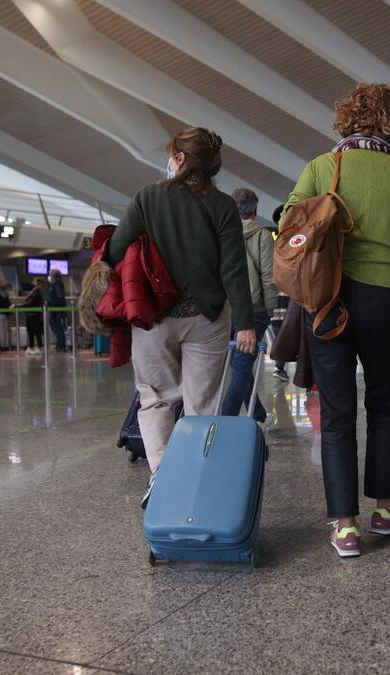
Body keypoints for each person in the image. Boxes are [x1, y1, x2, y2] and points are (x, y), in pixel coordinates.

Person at [288, 82, 390, 558]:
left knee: (336, 412)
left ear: (347, 118)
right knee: (382, 404)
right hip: (386, 298)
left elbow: (288, 224)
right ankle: (384, 508)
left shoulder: (320, 167)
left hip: (328, 298)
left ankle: (345, 526)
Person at [103, 126, 255, 488]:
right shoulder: (223, 206)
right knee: (203, 405)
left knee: (155, 399)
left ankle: (162, 478)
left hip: (155, 318)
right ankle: (198, 479)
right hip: (209, 318)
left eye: (172, 154)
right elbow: (233, 269)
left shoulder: (147, 198)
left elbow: (116, 250)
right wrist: (246, 323)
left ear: (181, 159)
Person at [220, 187, 277, 422]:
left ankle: (257, 413)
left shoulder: (222, 234)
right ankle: (225, 422)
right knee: (242, 367)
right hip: (255, 310)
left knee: (238, 363)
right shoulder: (263, 235)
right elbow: (268, 275)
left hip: (227, 308)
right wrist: (270, 307)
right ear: (254, 209)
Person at [269, 204, 291, 383]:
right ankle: (280, 367)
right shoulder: (291, 242)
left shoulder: (275, 243)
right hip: (286, 299)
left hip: (279, 300)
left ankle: (280, 367)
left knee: (280, 335)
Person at [19, 278, 46, 355]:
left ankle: (33, 346)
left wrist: (19, 306)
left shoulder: (36, 293)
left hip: (33, 315)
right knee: (35, 331)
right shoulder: (34, 292)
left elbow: (30, 303)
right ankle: (35, 346)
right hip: (33, 315)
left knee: (33, 331)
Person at [47, 267, 67, 351]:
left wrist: (52, 305)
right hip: (55, 309)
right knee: (57, 327)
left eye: (50, 275)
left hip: (56, 310)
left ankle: (61, 345)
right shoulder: (55, 284)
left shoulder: (57, 285)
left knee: (58, 328)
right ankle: (60, 344)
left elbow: (59, 297)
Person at [0, 279, 11, 350]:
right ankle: (6, 346)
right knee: (6, 331)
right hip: (5, 314)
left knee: (1, 331)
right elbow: (8, 304)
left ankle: (2, 346)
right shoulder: (6, 294)